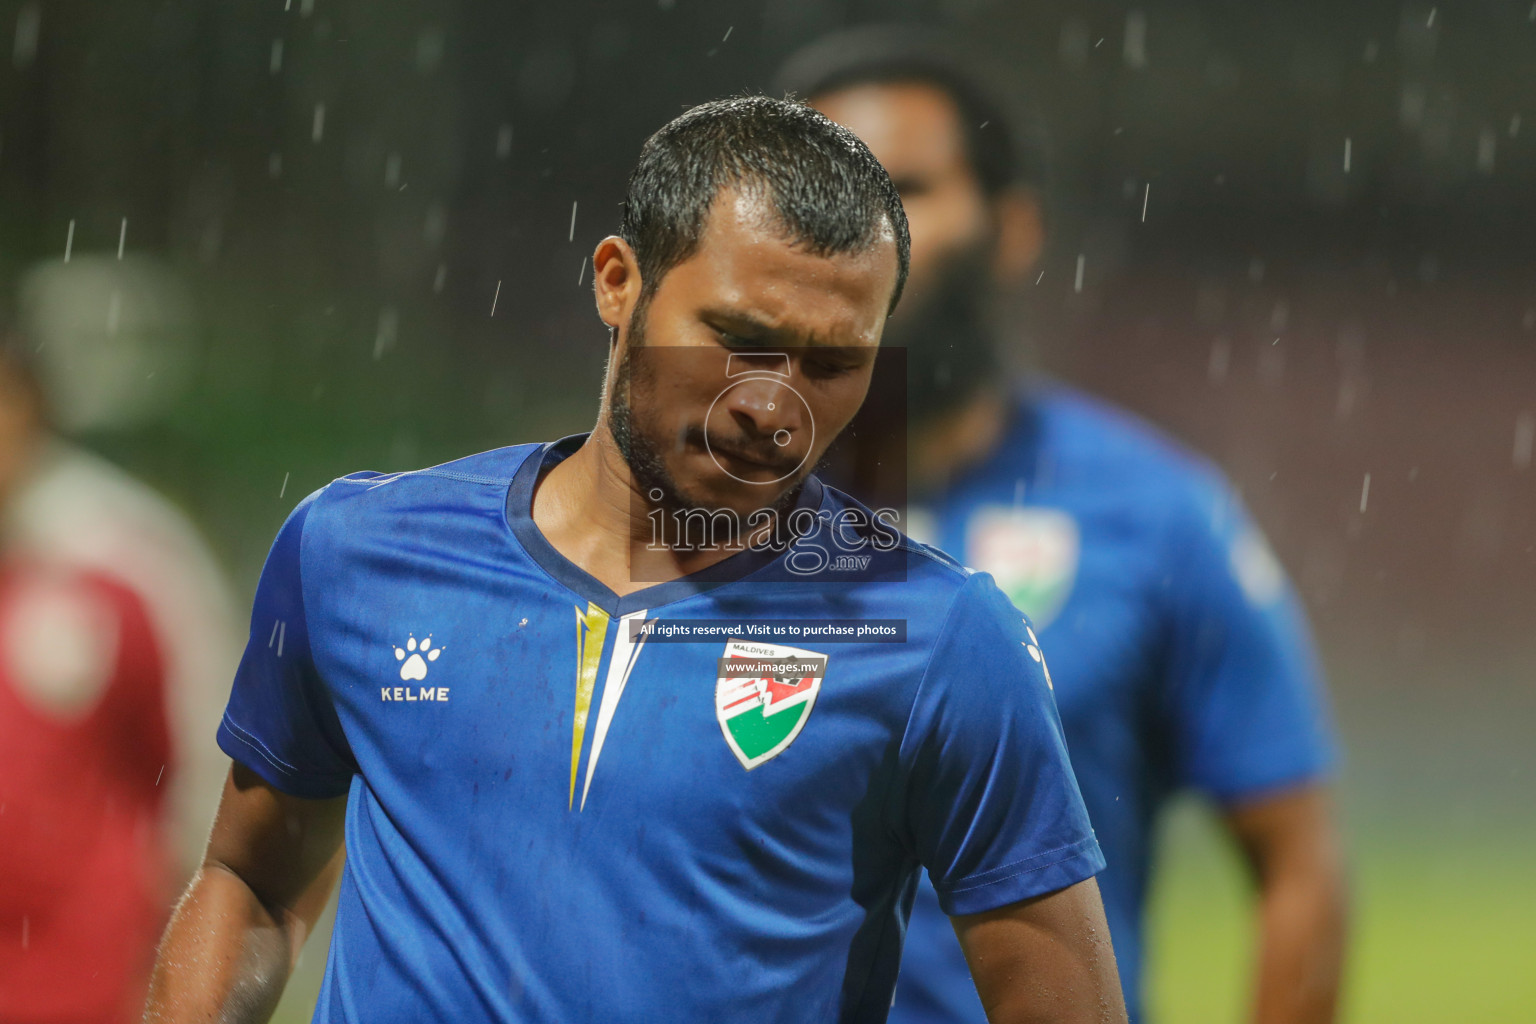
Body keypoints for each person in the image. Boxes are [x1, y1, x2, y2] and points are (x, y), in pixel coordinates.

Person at [143, 96, 1127, 1023]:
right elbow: (252, 882)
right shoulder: (356, 554)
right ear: (619, 281)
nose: (770, 404)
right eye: (739, 337)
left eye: (832, 362)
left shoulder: (940, 639)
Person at [776, 29, 1348, 1024]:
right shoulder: (691, 509)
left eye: (903, 187)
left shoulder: (1156, 514)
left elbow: (1297, 863)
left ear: (1013, 225)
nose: (861, 229)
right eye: (819, 196)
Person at [0, 327, 240, 1023]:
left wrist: (184, 960)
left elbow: (217, 768)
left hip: (85, 990)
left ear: (31, 410)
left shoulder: (125, 563)